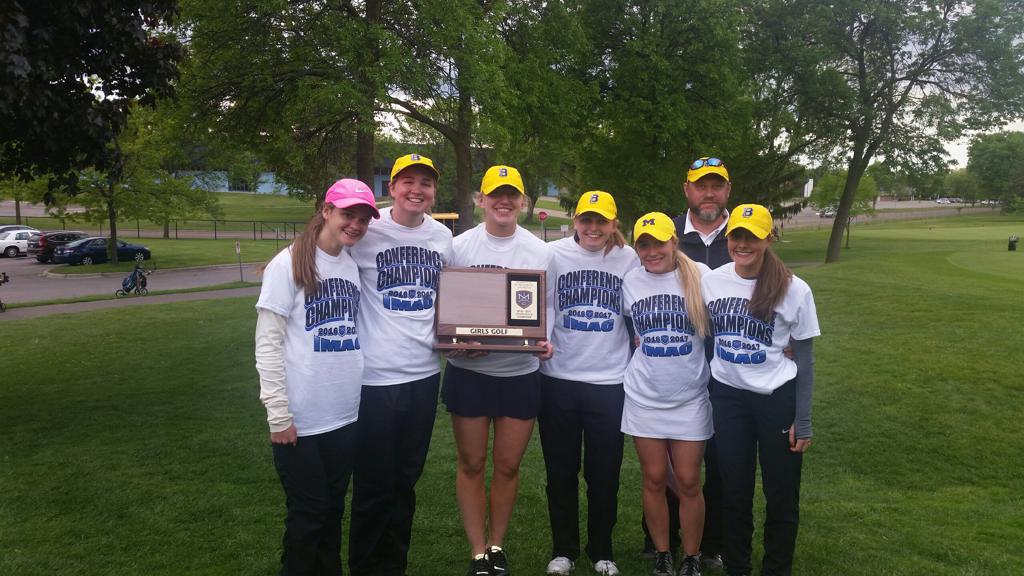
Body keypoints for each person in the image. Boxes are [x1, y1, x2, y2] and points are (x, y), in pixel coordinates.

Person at [254, 179, 380, 576]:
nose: (356, 225)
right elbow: (267, 344)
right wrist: (278, 413)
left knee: (332, 512)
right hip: (301, 420)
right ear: (326, 211)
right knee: (307, 517)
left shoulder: (349, 264)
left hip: (344, 415)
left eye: (363, 219)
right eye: (348, 215)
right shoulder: (288, 263)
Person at [442, 165, 554, 576]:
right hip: (469, 374)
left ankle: (497, 546)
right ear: (481, 199)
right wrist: (455, 342)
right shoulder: (459, 246)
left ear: (522, 201)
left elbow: (549, 307)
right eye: (496, 194)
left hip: (519, 373)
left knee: (507, 466)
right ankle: (477, 550)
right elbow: (448, 307)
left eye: (512, 194)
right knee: (471, 463)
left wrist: (546, 340)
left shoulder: (541, 251)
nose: (504, 201)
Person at [347, 154, 453, 576]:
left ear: (433, 192)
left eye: (425, 183)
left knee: (405, 482)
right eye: (406, 181)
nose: (416, 189)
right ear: (390, 188)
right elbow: (321, 252)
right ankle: (364, 567)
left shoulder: (443, 238)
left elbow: (455, 298)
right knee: (373, 485)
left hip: (425, 376)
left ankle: (394, 566)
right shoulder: (366, 230)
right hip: (374, 379)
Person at [701, 204, 820, 576]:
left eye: (752, 236)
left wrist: (803, 420)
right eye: (737, 235)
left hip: (775, 400)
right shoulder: (712, 280)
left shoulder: (794, 288)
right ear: (728, 238)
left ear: (768, 238)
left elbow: (805, 358)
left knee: (780, 493)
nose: (743, 243)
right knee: (734, 491)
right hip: (728, 399)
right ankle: (737, 567)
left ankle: (776, 568)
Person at [539, 191, 639, 576]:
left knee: (604, 474)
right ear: (575, 220)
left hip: (609, 382)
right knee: (560, 472)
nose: (593, 228)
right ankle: (563, 549)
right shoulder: (554, 254)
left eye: (602, 221)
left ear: (614, 224)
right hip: (558, 379)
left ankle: (602, 550)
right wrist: (537, 339)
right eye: (587, 220)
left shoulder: (629, 258)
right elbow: (539, 304)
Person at [647, 156, 730, 569]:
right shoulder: (666, 235)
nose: (708, 193)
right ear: (687, 190)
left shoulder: (746, 234)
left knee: (713, 462)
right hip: (676, 368)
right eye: (701, 185)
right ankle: (661, 542)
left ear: (727, 191)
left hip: (731, 369)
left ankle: (711, 543)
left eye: (716, 185)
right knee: (662, 462)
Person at [622, 212, 713, 576]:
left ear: (674, 242)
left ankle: (691, 557)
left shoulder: (701, 278)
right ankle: (663, 553)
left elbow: (745, 300)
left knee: (689, 480)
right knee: (654, 478)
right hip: (644, 397)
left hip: (690, 397)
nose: (651, 251)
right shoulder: (630, 282)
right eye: (644, 244)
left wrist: (783, 344)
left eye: (659, 242)